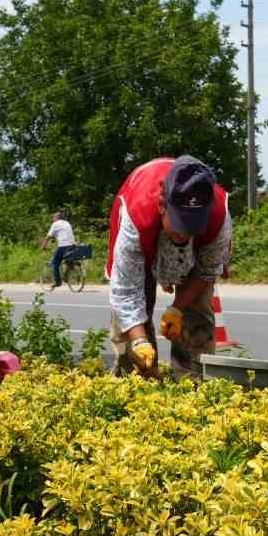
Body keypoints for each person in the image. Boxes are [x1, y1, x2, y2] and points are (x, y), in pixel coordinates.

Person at [106, 155, 231, 377]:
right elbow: (125, 292)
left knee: (198, 310)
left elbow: (207, 270)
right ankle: (138, 380)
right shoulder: (137, 214)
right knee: (130, 329)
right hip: (142, 243)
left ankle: (191, 380)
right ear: (162, 206)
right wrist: (140, 341)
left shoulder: (218, 216)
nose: (184, 235)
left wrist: (177, 309)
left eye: (193, 228)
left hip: (193, 260)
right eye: (179, 225)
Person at [42, 210, 78, 287]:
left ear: (57, 218)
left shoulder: (55, 224)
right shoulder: (67, 223)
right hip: (72, 245)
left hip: (63, 246)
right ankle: (66, 274)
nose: (53, 219)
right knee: (67, 260)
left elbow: (48, 236)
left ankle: (58, 282)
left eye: (53, 217)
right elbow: (62, 234)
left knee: (55, 263)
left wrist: (44, 246)